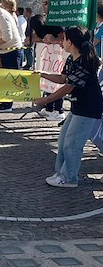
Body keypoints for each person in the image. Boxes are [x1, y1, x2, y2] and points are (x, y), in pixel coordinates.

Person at [34, 26, 103, 188]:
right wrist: (42, 73)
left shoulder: (85, 62)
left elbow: (67, 87)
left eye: (63, 39)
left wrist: (44, 100)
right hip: (78, 106)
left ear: (70, 42)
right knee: (64, 139)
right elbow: (63, 78)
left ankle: (69, 178)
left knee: (73, 143)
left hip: (88, 108)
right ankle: (60, 173)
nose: (61, 42)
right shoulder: (72, 58)